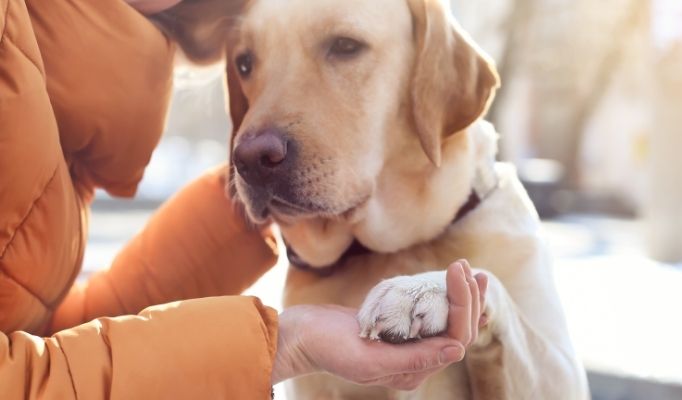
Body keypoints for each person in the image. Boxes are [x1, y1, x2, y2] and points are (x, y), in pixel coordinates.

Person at [0, 0, 487, 398]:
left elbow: (45, 342)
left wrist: (228, 219)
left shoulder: (69, 116)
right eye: (249, 64)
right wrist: (281, 347)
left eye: (344, 46)